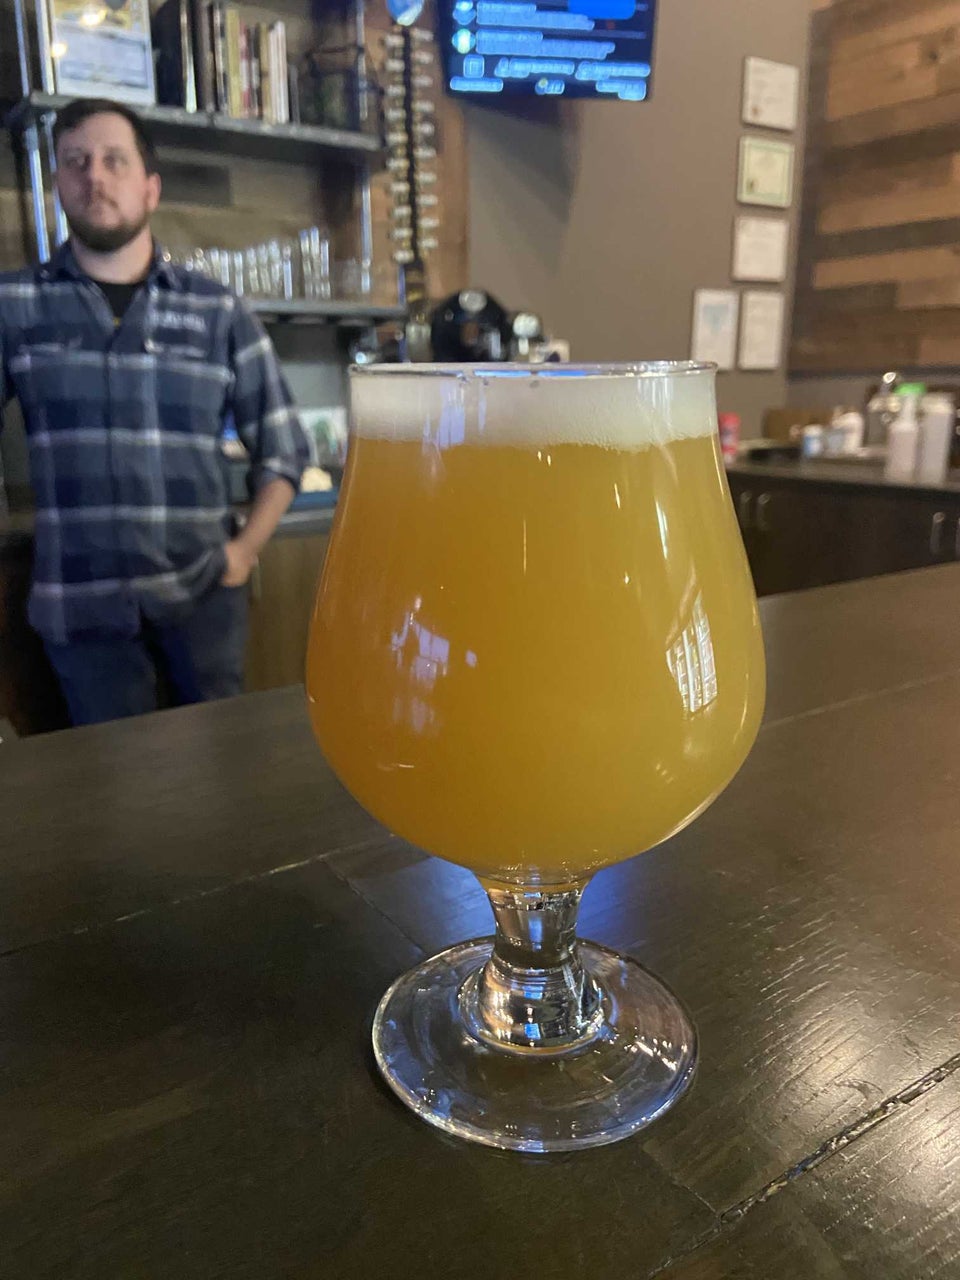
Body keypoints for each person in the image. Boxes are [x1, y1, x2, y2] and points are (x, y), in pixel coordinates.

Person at [0, 97, 310, 726]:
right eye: (75, 161)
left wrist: (243, 553)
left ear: (150, 187)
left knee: (221, 764)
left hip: (204, 599)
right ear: (58, 183)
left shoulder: (216, 310)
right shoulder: (15, 304)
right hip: (81, 611)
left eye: (114, 160)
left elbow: (284, 449)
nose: (94, 176)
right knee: (114, 782)